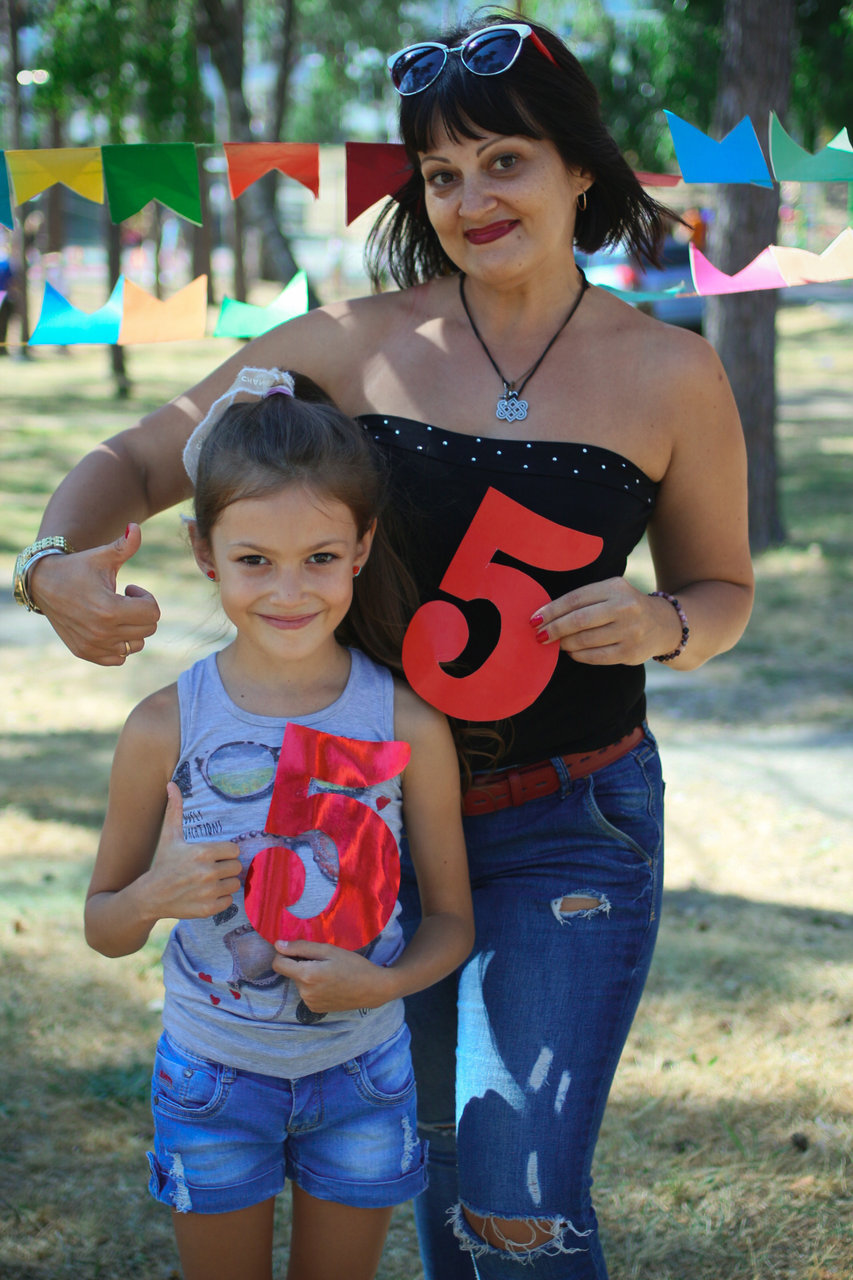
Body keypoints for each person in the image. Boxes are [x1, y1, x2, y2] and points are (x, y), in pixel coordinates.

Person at [19, 16, 754, 1279]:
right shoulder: (350, 344)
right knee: (434, 1163)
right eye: (441, 173)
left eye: (504, 161)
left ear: (580, 166)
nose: (471, 198)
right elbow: (136, 461)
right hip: (357, 814)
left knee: (517, 1190)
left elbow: (722, 585)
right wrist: (49, 565)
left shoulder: (671, 370)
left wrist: (666, 622)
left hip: (566, 821)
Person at [82, 369, 474, 1280]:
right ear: (203, 552)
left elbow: (453, 919)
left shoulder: (407, 724)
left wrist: (384, 985)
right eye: (254, 560)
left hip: (364, 1076)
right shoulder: (163, 727)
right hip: (212, 1077)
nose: (289, 591)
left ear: (361, 547)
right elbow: (103, 926)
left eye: (319, 558)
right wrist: (152, 895)